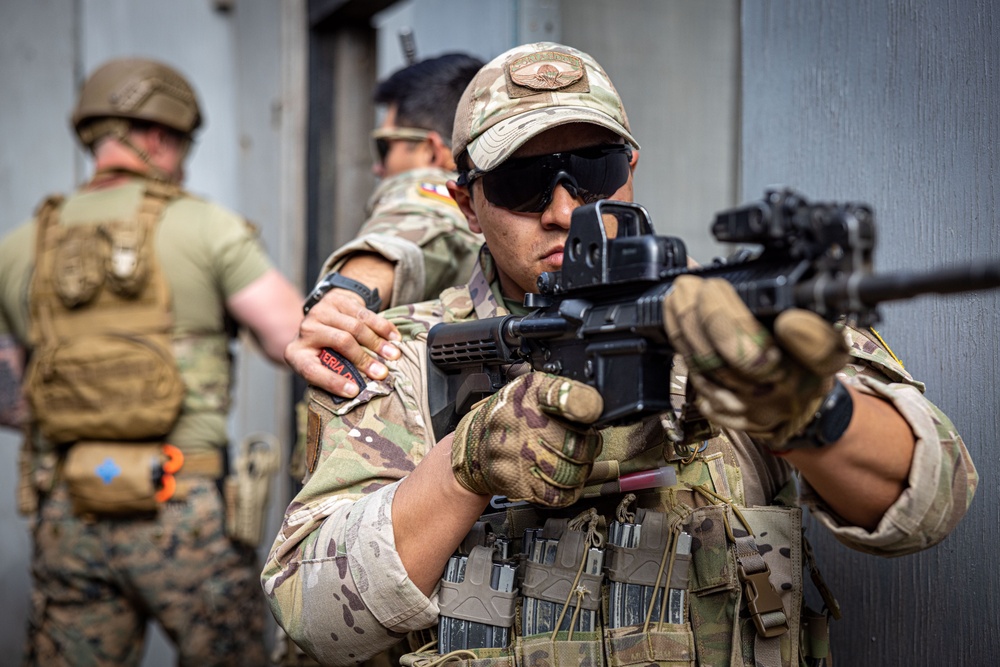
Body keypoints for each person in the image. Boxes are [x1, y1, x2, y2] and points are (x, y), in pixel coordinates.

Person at [261, 42, 977, 666]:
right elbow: (312, 614)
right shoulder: (405, 356)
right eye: (521, 180)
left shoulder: (732, 317)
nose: (565, 208)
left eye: (594, 168)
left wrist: (806, 409)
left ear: (631, 167)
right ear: (467, 203)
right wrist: (463, 465)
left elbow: (935, 496)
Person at [0, 57, 303, 666]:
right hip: (182, 501)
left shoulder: (20, 245)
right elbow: (294, 337)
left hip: (69, 504)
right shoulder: (207, 227)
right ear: (161, 136)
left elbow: (14, 396)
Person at [288, 53, 484, 399]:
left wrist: (346, 297)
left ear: (431, 151)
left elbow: (416, 223)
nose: (378, 169)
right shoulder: (498, 202)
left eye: (384, 147)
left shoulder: (426, 191)